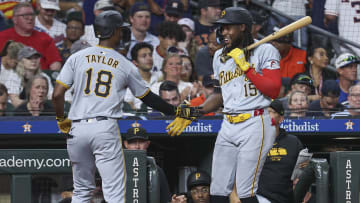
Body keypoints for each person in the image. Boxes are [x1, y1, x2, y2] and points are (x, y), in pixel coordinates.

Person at [52, 10, 180, 203]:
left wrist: (61, 119)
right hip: (104, 127)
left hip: (76, 128)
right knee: (114, 193)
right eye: (120, 29)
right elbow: (148, 98)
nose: (123, 33)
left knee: (81, 191)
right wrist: (176, 111)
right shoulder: (124, 64)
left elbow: (56, 94)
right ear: (112, 31)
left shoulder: (77, 57)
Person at [167, 7, 282, 203]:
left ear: (243, 27)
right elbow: (220, 95)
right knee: (218, 190)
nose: (223, 32)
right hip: (228, 123)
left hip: (255, 122)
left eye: (229, 28)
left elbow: (273, 90)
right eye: (221, 28)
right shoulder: (220, 56)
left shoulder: (265, 49)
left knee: (245, 192)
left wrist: (246, 67)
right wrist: (197, 111)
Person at [256, 99, 304, 203]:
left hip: (287, 198)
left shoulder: (293, 142)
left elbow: (303, 171)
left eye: (270, 112)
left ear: (281, 118)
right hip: (260, 197)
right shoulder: (252, 141)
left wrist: (301, 182)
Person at [0, 2, 62, 70]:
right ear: (15, 19)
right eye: (25, 15)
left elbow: (55, 63)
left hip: (40, 77)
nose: (30, 18)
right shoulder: (2, 37)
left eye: (32, 15)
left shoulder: (45, 37)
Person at [123, 125, 171, 203]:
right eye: (133, 142)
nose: (137, 146)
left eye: (141, 142)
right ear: (125, 144)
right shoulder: (118, 168)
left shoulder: (156, 170)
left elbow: (165, 199)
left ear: (147, 144)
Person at [124, 42, 158, 110]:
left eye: (150, 55)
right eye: (144, 56)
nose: (149, 58)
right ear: (135, 62)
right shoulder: (130, 82)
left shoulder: (159, 76)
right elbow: (129, 106)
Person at [0, 40, 24, 108]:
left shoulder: (17, 72)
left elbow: (14, 98)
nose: (18, 62)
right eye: (16, 59)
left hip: (10, 107)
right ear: (8, 54)